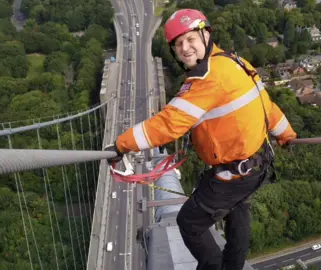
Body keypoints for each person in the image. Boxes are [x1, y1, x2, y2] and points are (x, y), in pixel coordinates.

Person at [105, 8, 297, 270]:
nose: (184, 48)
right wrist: (286, 134)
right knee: (237, 211)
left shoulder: (207, 77)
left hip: (235, 173)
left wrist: (121, 144)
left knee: (190, 223)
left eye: (190, 39)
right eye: (178, 44)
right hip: (259, 163)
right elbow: (268, 106)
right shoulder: (237, 62)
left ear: (206, 34)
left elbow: (169, 124)